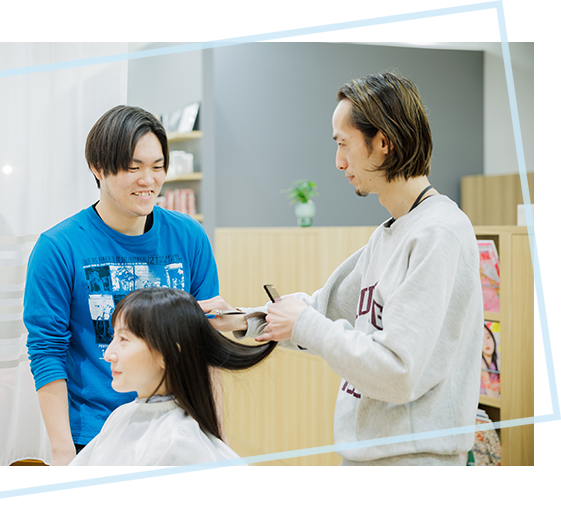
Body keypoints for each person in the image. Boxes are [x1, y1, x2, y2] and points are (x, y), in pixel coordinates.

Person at [202, 72, 483, 466]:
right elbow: (322, 310)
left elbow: (398, 371)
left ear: (382, 142)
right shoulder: (388, 235)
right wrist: (240, 319)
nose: (338, 162)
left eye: (343, 144)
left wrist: (306, 324)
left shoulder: (439, 234)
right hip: (368, 458)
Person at [24, 105, 220, 466]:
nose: (148, 180)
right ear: (98, 168)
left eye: (157, 167)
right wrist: (63, 451)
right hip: (94, 438)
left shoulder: (189, 237)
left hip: (174, 433)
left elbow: (202, 344)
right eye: (133, 167)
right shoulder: (58, 247)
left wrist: (210, 430)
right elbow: (46, 350)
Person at [69, 287, 276, 466]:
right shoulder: (121, 415)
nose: (108, 354)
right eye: (113, 337)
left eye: (123, 339)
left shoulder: (177, 443)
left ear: (168, 354)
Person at [480, 323, 500, 398]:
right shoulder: (481, 364)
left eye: (488, 337)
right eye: (481, 339)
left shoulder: (493, 365)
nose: (486, 342)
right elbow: (492, 396)